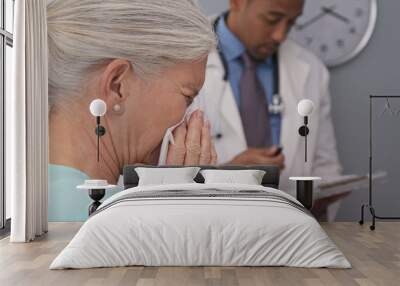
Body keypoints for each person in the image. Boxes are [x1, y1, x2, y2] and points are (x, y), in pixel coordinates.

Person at [47, 0, 217, 221]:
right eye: (187, 97)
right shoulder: (121, 222)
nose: (191, 118)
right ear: (118, 85)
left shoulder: (26, 199)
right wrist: (180, 213)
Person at [197, 0, 345, 220]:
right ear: (237, 2)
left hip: (290, 233)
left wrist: (319, 201)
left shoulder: (311, 69)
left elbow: (325, 166)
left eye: (291, 22)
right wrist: (224, 174)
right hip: (210, 227)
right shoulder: (183, 57)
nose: (280, 35)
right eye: (272, 19)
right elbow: (156, 171)